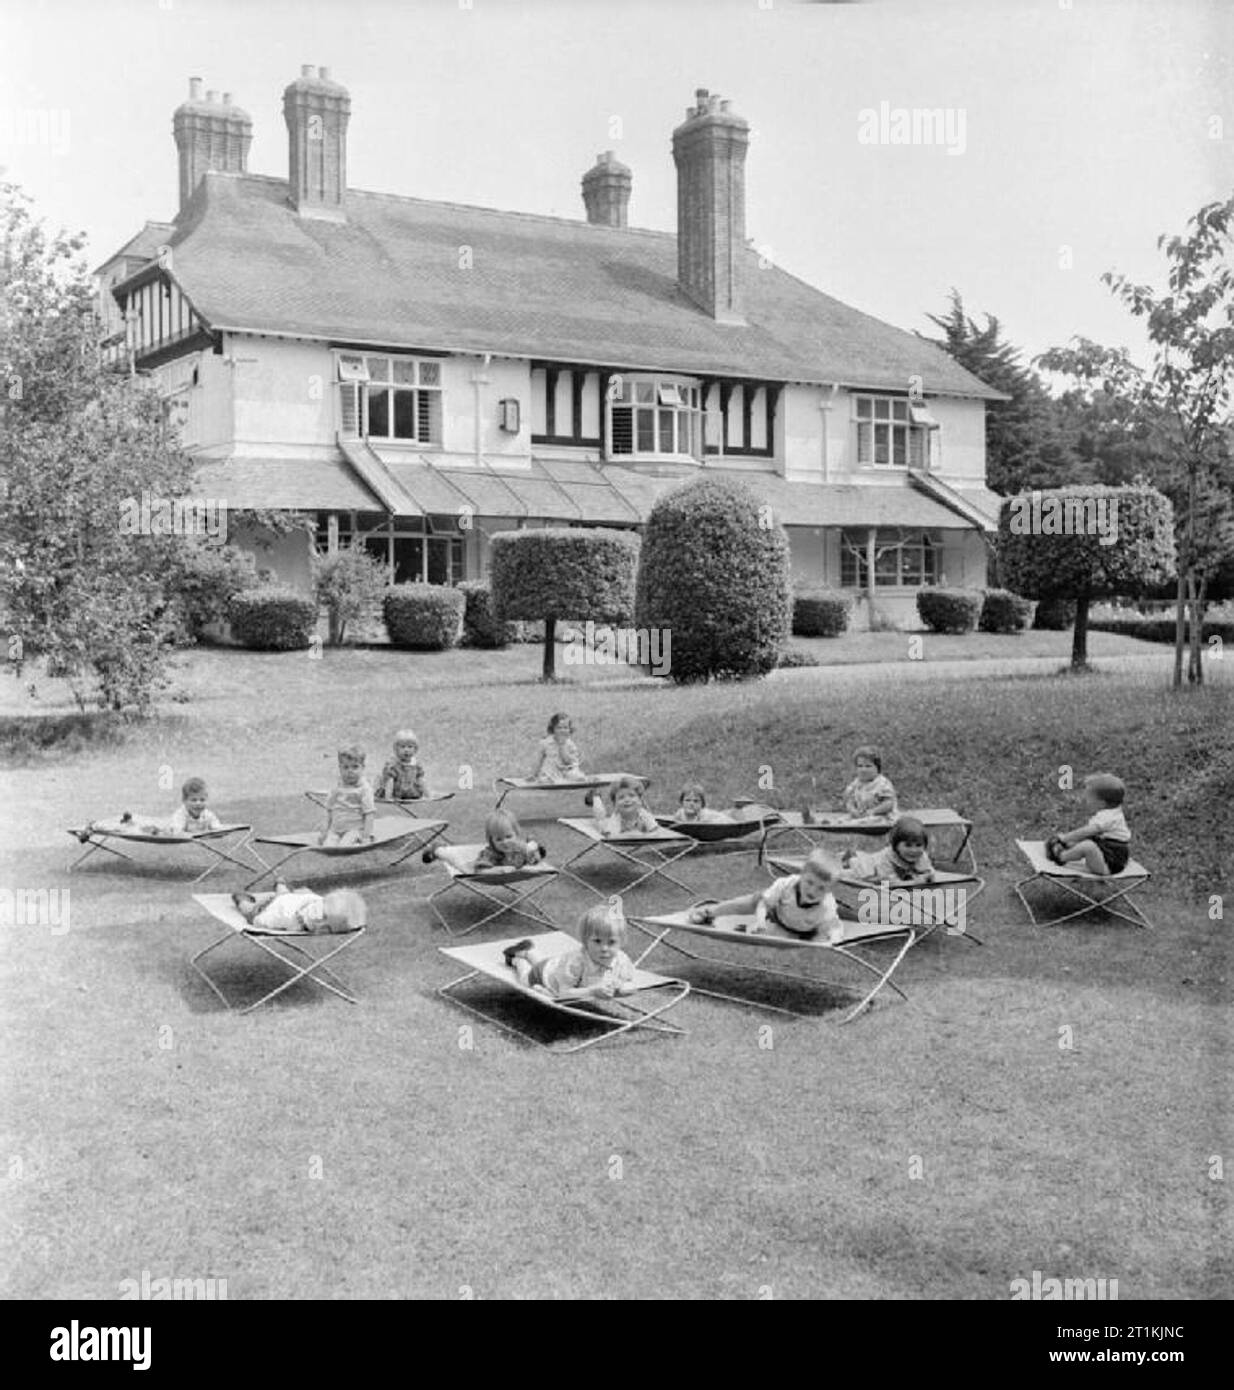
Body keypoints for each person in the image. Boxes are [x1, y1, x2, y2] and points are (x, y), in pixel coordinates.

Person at [688, 848, 843, 942]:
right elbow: (764, 904)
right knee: (754, 900)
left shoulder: (827, 905)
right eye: (809, 883)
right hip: (777, 913)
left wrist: (826, 938)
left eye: (821, 888)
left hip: (801, 930)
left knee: (819, 931)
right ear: (801, 875)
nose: (813, 891)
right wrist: (761, 921)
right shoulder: (786, 884)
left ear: (829, 890)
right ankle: (710, 911)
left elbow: (833, 927)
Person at [502, 904, 638, 1001]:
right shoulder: (577, 962)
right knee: (525, 979)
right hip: (545, 977)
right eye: (597, 941)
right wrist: (593, 991)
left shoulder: (621, 960)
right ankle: (517, 959)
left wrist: (621, 988)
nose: (604, 948)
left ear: (622, 942)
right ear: (585, 941)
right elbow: (564, 993)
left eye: (611, 942)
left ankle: (529, 950)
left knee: (545, 964)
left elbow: (630, 983)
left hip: (556, 967)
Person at [1045, 772, 1131, 875]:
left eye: (1089, 799)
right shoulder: (1112, 812)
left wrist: (1065, 838)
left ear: (1102, 803)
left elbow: (1085, 832)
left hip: (1109, 864)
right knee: (1086, 842)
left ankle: (1061, 856)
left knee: (1088, 846)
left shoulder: (1108, 818)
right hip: (1106, 851)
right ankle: (1067, 847)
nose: (1086, 801)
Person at [425, 809, 545, 871]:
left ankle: (531, 841)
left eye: (509, 837)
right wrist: (499, 870)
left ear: (516, 834)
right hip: (473, 867)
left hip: (520, 851)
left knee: (531, 847)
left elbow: (533, 858)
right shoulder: (490, 854)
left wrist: (534, 854)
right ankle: (437, 849)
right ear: (491, 841)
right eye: (499, 839)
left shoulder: (520, 847)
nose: (505, 842)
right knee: (461, 865)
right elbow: (480, 871)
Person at [232, 881, 366, 935]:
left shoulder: (320, 903)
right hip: (268, 906)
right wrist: (257, 920)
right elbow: (260, 921)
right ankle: (242, 900)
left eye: (328, 929)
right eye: (322, 916)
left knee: (284, 894)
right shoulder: (287, 917)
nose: (320, 925)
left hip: (288, 898)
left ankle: (281, 884)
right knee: (249, 912)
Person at [843, 815, 936, 883]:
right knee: (852, 873)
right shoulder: (886, 859)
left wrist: (928, 876)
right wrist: (915, 882)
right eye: (908, 845)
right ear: (896, 845)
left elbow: (928, 872)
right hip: (872, 870)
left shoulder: (922, 856)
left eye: (919, 845)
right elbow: (889, 883)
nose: (914, 850)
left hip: (899, 876)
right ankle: (849, 858)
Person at [320, 744, 375, 847]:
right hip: (336, 829)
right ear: (340, 768)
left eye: (355, 767)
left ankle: (357, 842)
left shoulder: (364, 789)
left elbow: (369, 814)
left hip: (355, 830)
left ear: (362, 767)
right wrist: (324, 830)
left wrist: (366, 837)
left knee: (344, 846)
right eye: (346, 767)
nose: (350, 771)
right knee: (327, 847)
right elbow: (328, 809)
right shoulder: (336, 787)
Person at [842, 745, 898, 820]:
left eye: (868, 766)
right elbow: (849, 802)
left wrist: (873, 811)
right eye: (860, 766)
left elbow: (889, 803)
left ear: (877, 768)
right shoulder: (855, 785)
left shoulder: (882, 784)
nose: (863, 770)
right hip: (860, 817)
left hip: (881, 817)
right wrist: (853, 811)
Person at [590, 775, 657, 836]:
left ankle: (596, 795)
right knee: (600, 821)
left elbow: (655, 832)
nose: (627, 800)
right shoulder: (616, 817)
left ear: (639, 800)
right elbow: (613, 836)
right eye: (621, 797)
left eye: (631, 795)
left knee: (601, 820)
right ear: (615, 803)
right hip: (607, 829)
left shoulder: (644, 814)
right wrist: (634, 835)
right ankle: (596, 795)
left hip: (637, 836)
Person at [530, 712, 585, 782]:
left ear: (569, 730)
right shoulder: (546, 743)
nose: (562, 730)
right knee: (544, 779)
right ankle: (550, 780)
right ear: (553, 729)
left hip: (566, 769)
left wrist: (562, 746)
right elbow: (539, 760)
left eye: (565, 728)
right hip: (551, 770)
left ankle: (570, 780)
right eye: (559, 728)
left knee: (576, 776)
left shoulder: (570, 744)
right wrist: (534, 774)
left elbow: (568, 761)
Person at [376, 729, 428, 801]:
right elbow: (390, 782)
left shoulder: (416, 764)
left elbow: (421, 780)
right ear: (396, 749)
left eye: (410, 747)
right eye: (403, 747)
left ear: (415, 749)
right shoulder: (393, 765)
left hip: (411, 792)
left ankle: (415, 796)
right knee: (385, 782)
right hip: (396, 792)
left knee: (418, 789)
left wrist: (428, 795)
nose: (406, 750)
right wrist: (388, 798)